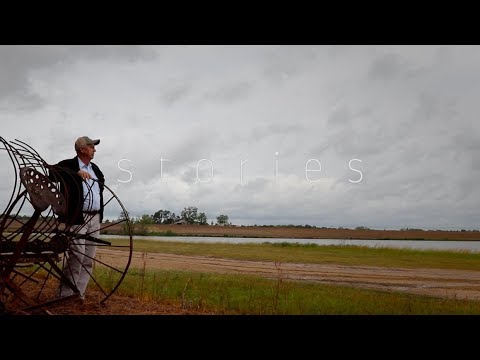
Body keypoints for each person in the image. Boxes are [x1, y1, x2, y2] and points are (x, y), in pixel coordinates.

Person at [48, 136, 105, 301]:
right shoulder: (68, 164)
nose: (95, 149)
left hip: (95, 218)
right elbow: (51, 174)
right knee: (77, 256)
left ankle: (78, 293)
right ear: (82, 149)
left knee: (88, 258)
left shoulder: (96, 169)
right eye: (91, 146)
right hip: (78, 218)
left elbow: (101, 185)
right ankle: (65, 294)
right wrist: (75, 173)